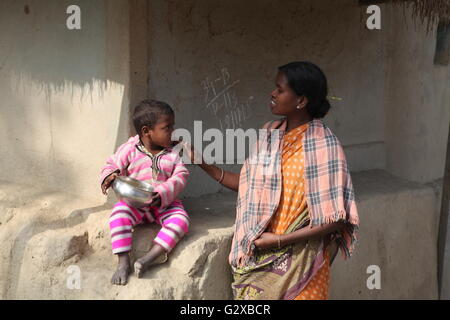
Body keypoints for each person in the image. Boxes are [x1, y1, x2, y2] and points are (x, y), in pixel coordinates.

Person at [183, 61, 359, 299]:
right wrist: (202, 162)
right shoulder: (269, 134)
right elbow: (249, 186)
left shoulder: (324, 146)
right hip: (260, 260)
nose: (272, 93)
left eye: (280, 89)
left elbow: (336, 219)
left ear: (301, 100)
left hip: (303, 267)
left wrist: (279, 241)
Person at [100, 99, 190, 286]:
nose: (172, 132)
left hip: (164, 204)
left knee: (181, 220)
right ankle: (123, 262)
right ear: (146, 131)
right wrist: (110, 176)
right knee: (118, 215)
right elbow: (111, 164)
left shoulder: (172, 152)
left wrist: (164, 192)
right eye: (167, 128)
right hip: (135, 204)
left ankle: (149, 258)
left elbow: (181, 175)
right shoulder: (130, 149)